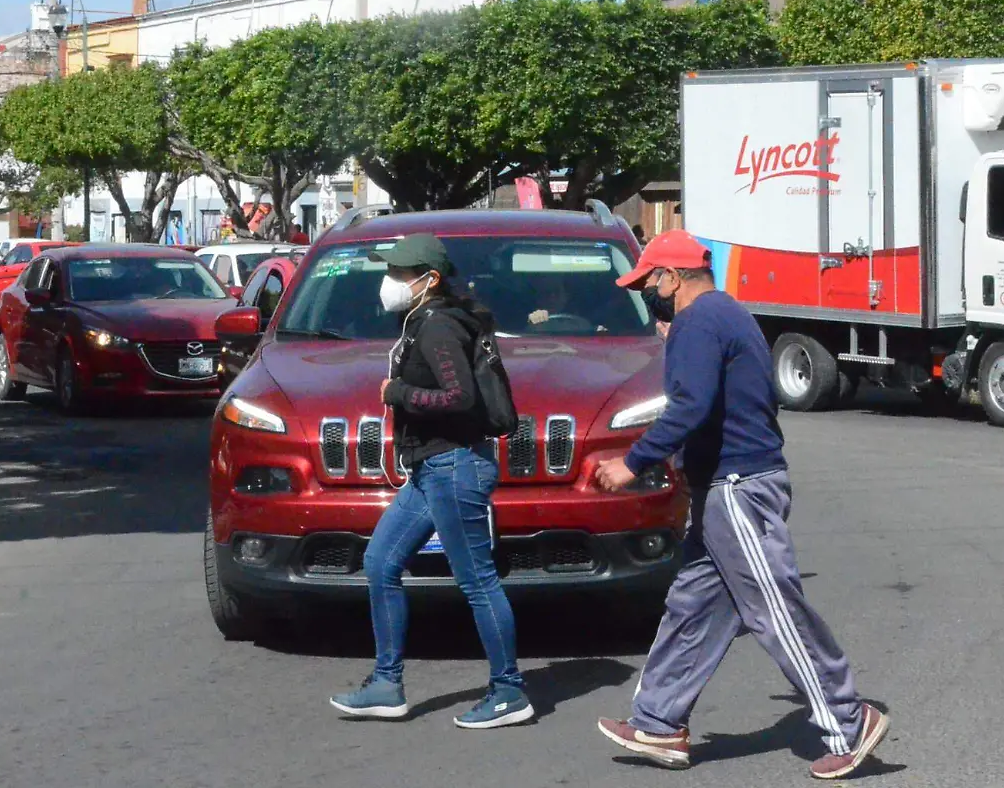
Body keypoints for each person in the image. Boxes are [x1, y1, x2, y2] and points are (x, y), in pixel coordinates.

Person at [594, 230, 888, 780]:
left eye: (647, 283)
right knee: (692, 605)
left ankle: (849, 720)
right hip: (728, 486)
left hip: (737, 486)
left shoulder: (698, 322)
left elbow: (690, 406)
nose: (646, 294)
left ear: (672, 278)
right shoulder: (728, 314)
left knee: (773, 608)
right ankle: (658, 723)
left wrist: (633, 462)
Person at [329, 232, 531, 729]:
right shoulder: (424, 320)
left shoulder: (438, 326)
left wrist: (398, 390)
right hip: (430, 467)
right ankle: (385, 684)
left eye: (399, 274)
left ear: (428, 280)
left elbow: (459, 397)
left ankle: (509, 691)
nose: (390, 282)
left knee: (477, 581)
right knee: (380, 562)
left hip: (455, 465)